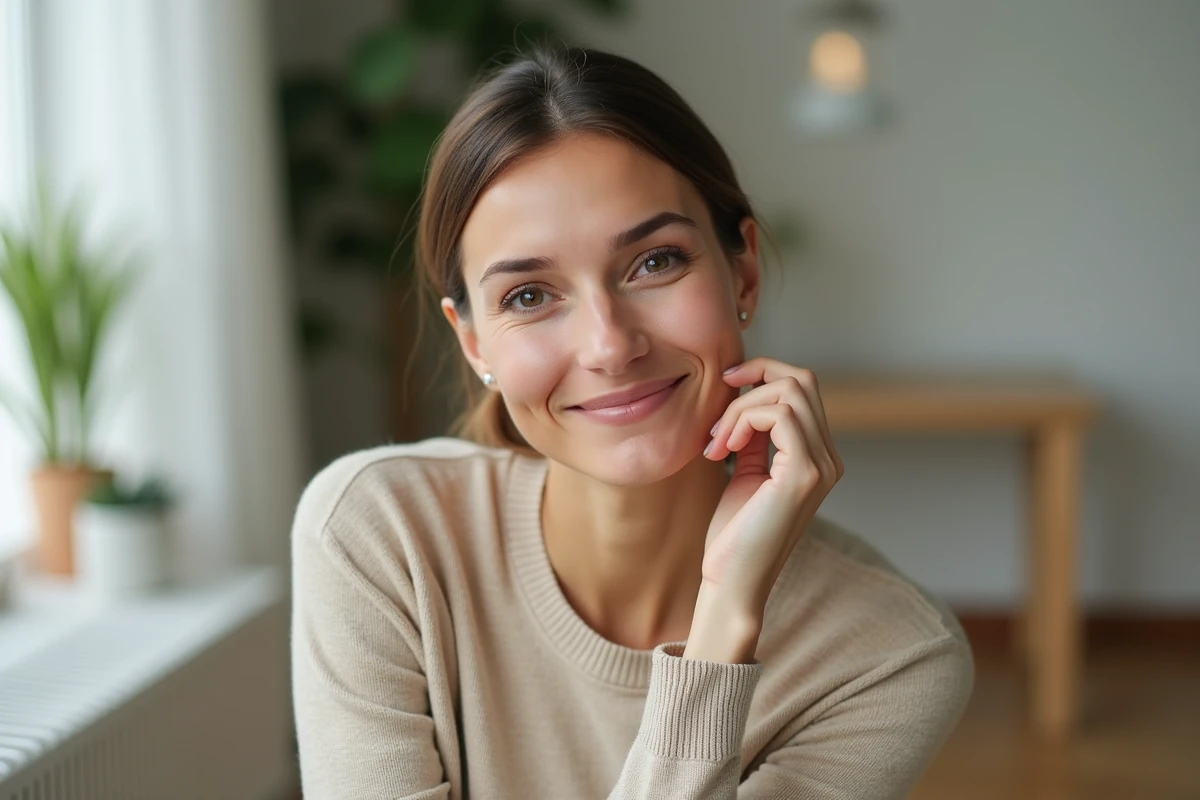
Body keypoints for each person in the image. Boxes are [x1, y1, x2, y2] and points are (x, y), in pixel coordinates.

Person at [291, 43, 974, 799]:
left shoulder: (890, 655)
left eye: (655, 262)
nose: (610, 346)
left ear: (741, 271)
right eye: (528, 296)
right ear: (474, 340)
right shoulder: (379, 536)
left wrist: (726, 616)